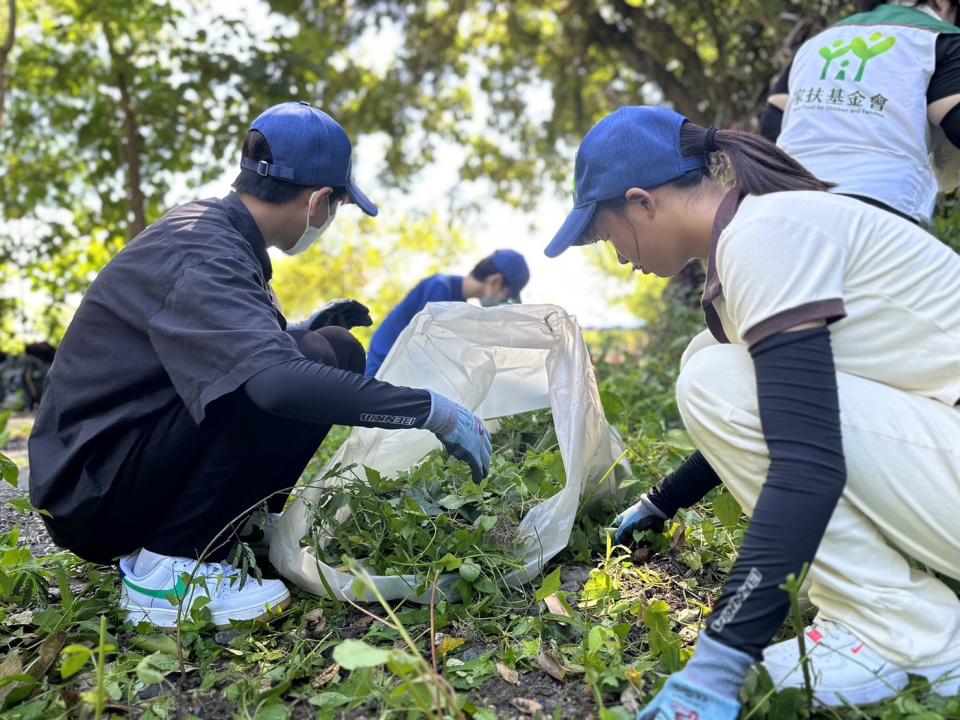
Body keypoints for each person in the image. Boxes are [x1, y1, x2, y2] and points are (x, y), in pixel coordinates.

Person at [545, 105, 960, 715]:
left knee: (713, 374)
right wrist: (661, 502)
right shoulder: (767, 227)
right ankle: (896, 616)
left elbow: (806, 460)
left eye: (608, 236)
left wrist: (720, 660)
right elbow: (786, 407)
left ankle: (904, 634)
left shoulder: (764, 237)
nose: (620, 258)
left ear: (641, 202)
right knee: (712, 358)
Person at [27, 101, 491, 629]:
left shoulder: (213, 233)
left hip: (116, 465)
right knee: (293, 371)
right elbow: (274, 387)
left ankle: (231, 527)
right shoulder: (204, 250)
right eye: (338, 206)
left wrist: (296, 333)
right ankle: (168, 571)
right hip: (94, 492)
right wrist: (431, 411)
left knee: (331, 347)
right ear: (318, 202)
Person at [761, 0, 960, 225]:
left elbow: (772, 123)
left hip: (786, 200)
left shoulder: (818, 42)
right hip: (881, 205)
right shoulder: (942, 39)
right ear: (942, 3)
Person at [364, 250, 530, 377]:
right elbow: (424, 349)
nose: (501, 302)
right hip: (384, 369)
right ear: (496, 281)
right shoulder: (440, 288)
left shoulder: (455, 301)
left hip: (396, 372)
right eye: (506, 296)